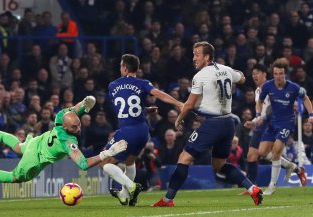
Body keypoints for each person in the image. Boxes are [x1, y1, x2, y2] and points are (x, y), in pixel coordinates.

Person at [152, 41, 263, 207]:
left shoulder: (200, 76)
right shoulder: (225, 69)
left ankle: (168, 199)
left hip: (213, 124)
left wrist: (178, 119)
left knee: (184, 158)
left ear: (207, 57)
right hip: (228, 123)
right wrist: (233, 72)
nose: (194, 58)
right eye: (193, 54)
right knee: (219, 165)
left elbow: (189, 105)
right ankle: (252, 188)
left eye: (197, 54)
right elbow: (242, 78)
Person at [0, 96, 128, 183]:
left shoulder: (62, 115)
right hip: (36, 158)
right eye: (74, 127)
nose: (78, 128)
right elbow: (83, 164)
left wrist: (84, 106)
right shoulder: (68, 142)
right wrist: (107, 153)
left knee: (18, 147)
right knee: (14, 178)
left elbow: (75, 110)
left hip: (37, 141)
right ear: (66, 128)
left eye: (78, 125)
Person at [102, 54, 183, 206]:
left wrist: (141, 109)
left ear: (125, 67)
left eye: (121, 66)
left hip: (126, 131)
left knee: (105, 163)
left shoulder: (112, 85)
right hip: (142, 132)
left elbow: (123, 107)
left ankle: (131, 186)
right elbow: (159, 94)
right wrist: (178, 103)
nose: (120, 68)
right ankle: (125, 196)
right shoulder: (143, 83)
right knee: (130, 161)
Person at [243, 64, 306, 195]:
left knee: (267, 153)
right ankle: (292, 167)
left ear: (265, 74)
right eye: (253, 73)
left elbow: (273, 109)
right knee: (254, 155)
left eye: (258, 73)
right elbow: (260, 109)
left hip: (273, 123)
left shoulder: (271, 87)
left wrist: (259, 119)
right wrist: (255, 120)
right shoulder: (257, 91)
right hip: (262, 124)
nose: (255, 76)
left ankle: (259, 187)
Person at [255, 58, 313, 195]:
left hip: (287, 123)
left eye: (281, 74)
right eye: (276, 74)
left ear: (285, 74)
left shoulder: (293, 87)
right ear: (273, 74)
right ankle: (290, 166)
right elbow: (260, 101)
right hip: (273, 123)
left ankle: (272, 185)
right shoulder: (268, 86)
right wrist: (258, 114)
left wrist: (311, 114)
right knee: (262, 152)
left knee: (276, 152)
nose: (278, 77)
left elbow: (305, 98)